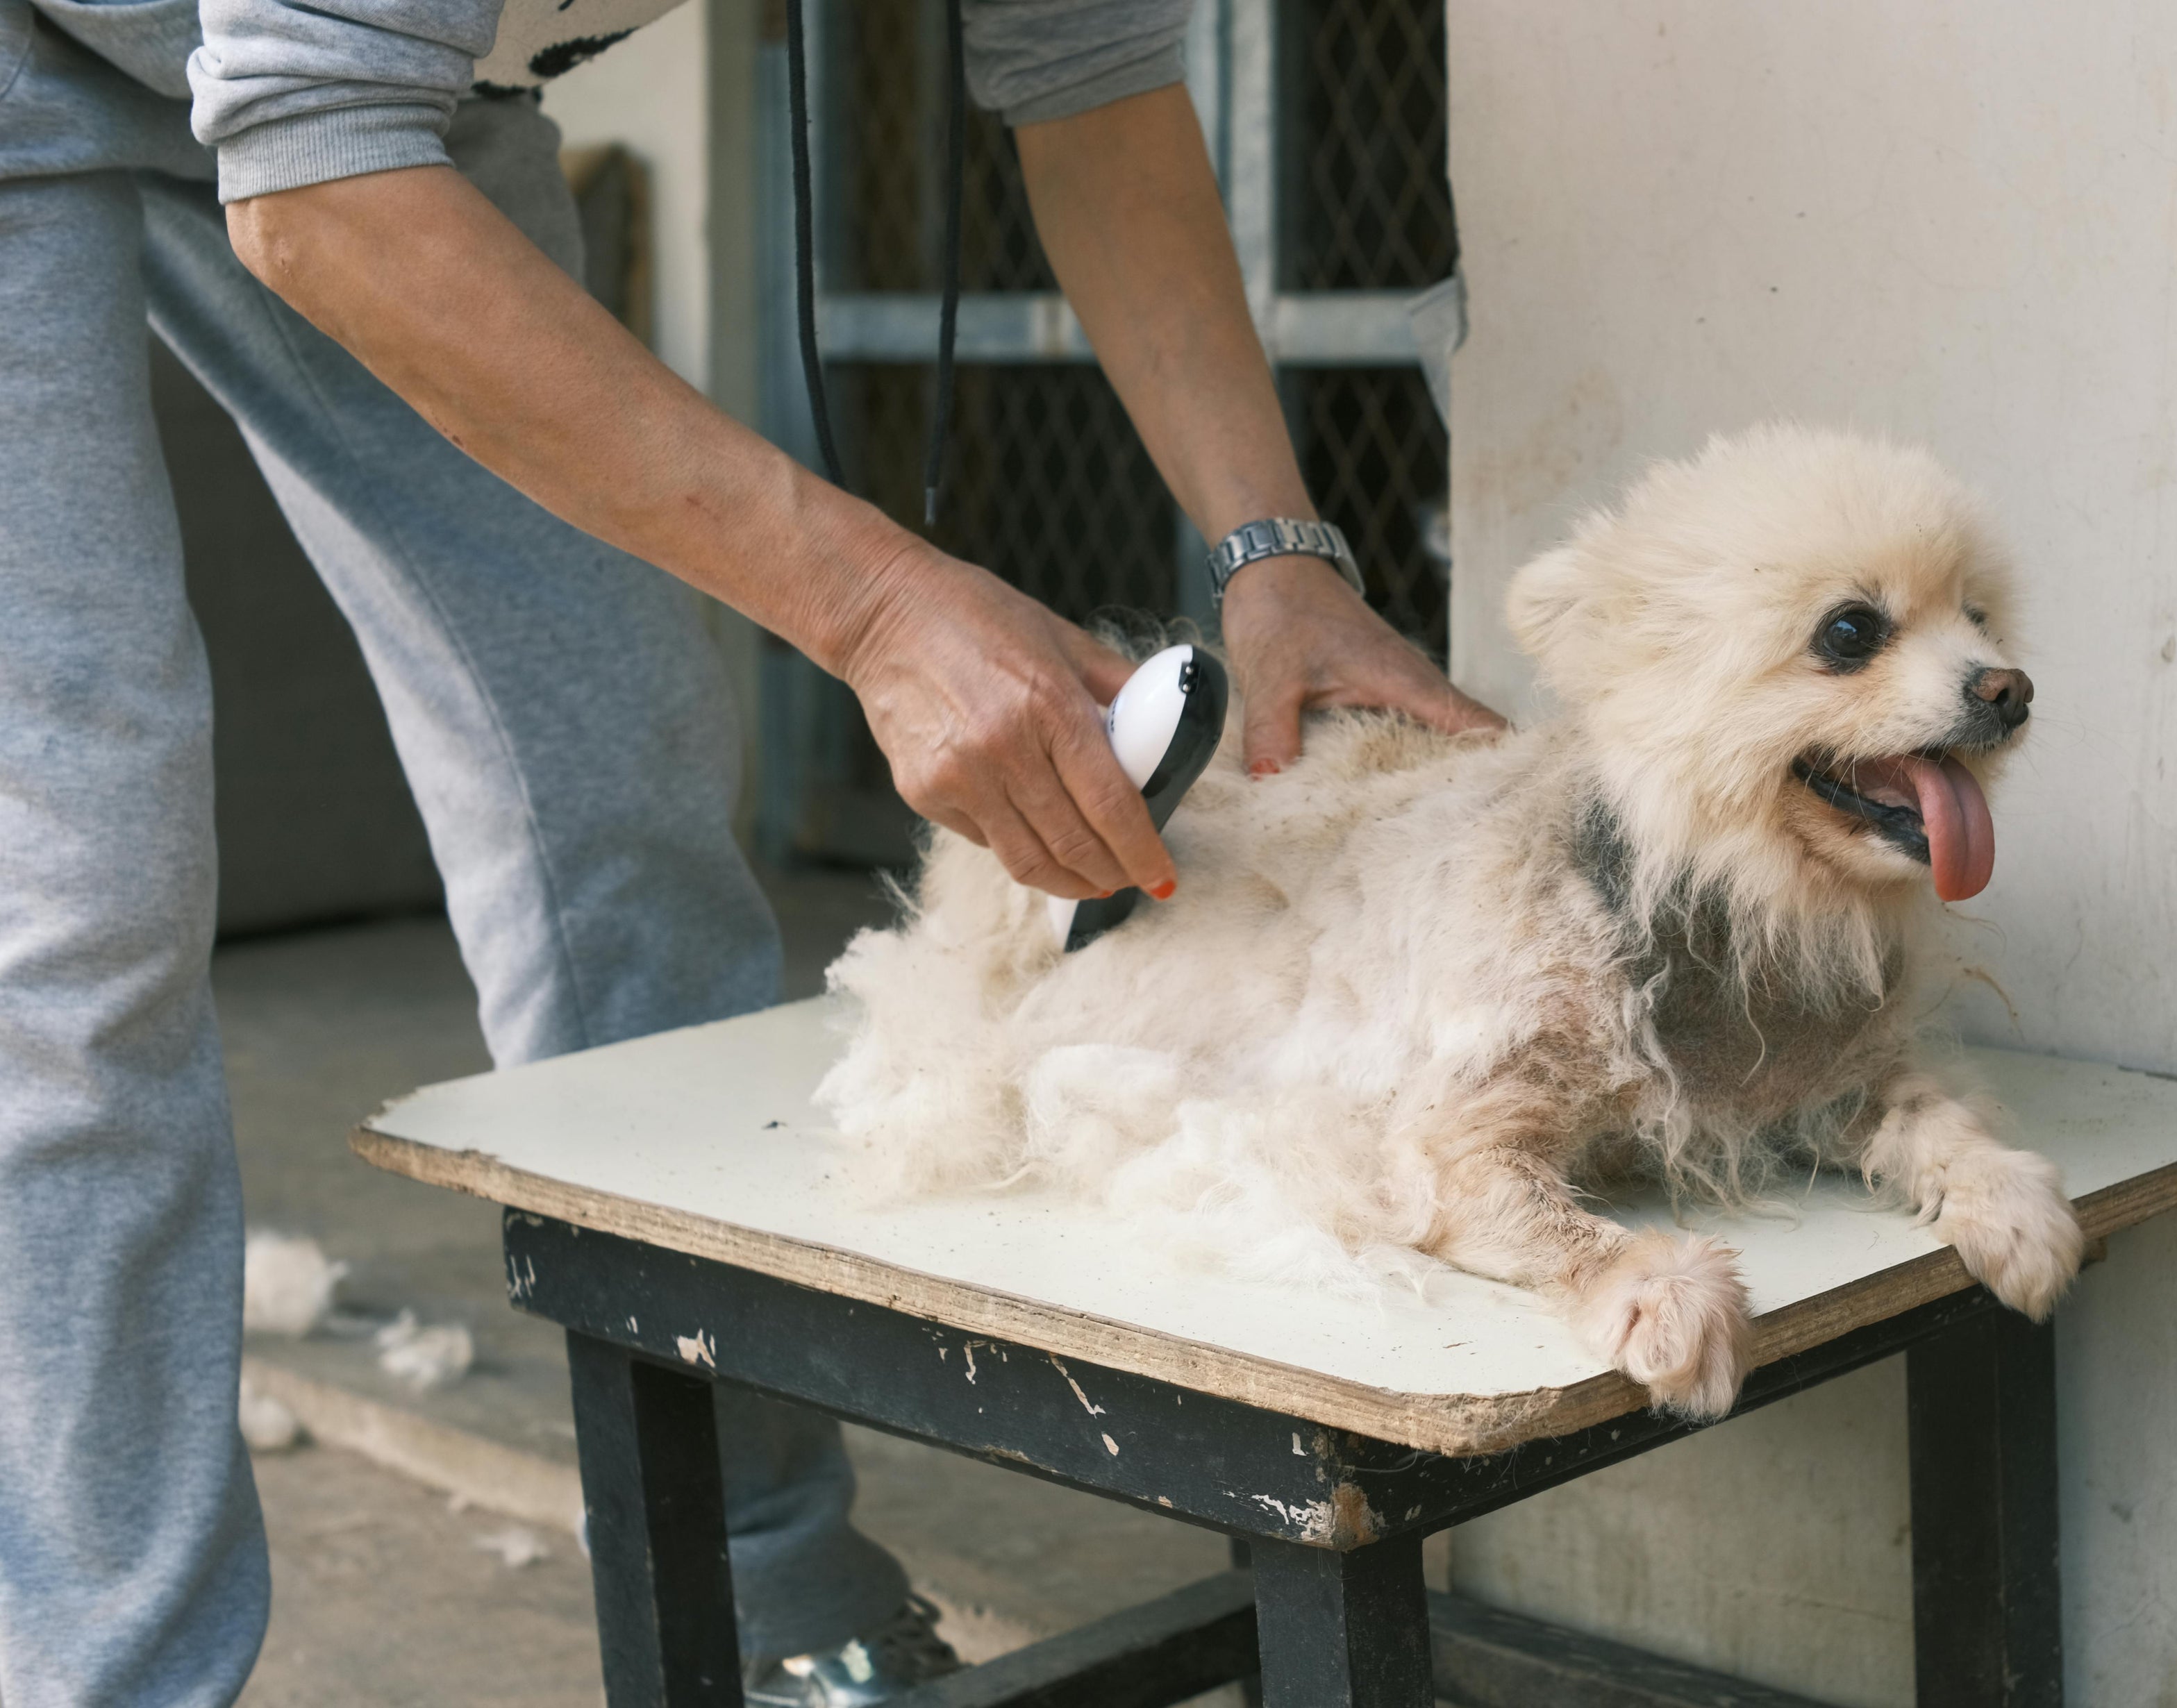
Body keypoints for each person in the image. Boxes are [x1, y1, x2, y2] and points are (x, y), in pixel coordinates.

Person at [0, 0, 1499, 1699]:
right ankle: (111, 1670)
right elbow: (310, 160)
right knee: (77, 908)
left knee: (620, 791)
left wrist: (1275, 552)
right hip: (162, 85)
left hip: (388, 91)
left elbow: (1095, 87)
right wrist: (869, 608)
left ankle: (762, 1580)